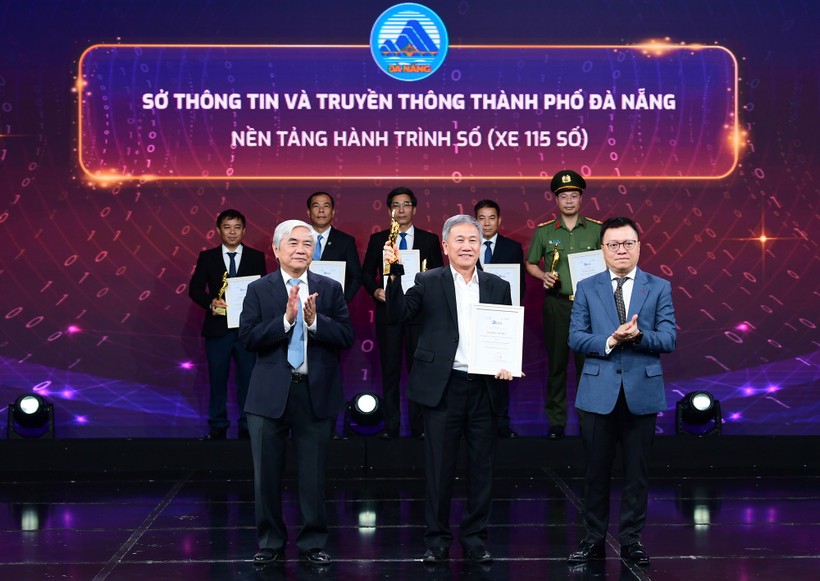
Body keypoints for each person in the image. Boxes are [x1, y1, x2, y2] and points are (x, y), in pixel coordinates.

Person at [384, 214, 513, 565]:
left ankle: (475, 539)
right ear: (445, 246)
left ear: (480, 244)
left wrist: (505, 361)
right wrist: (393, 274)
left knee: (481, 469)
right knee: (439, 470)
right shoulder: (427, 281)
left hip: (485, 387)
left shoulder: (498, 285)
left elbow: (505, 332)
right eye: (459, 240)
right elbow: (399, 314)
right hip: (443, 388)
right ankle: (437, 540)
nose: (467, 246)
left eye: (473, 239)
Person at [239, 219, 354, 566]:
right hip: (269, 395)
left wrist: (315, 322)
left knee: (313, 475)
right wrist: (286, 320)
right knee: (266, 475)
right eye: (293, 243)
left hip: (315, 394)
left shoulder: (329, 288)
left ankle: (313, 542)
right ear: (276, 250)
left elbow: (346, 336)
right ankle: (270, 542)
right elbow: (248, 338)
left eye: (307, 244)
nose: (301, 249)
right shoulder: (259, 289)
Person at [566, 217, 676, 567]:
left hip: (641, 392)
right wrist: (612, 340)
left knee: (636, 474)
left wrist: (639, 336)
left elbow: (669, 338)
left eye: (628, 243)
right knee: (595, 473)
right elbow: (576, 337)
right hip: (598, 392)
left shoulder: (658, 287)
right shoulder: (587, 287)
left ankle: (631, 541)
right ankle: (593, 540)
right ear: (602, 250)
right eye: (613, 245)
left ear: (639, 246)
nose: (621, 250)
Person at [361, 186, 444, 439]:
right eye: (396, 205)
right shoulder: (379, 240)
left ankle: (419, 428)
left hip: (419, 317)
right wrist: (376, 290)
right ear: (389, 210)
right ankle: (391, 427)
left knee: (419, 373)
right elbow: (366, 273)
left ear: (414, 209)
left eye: (406, 204)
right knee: (390, 372)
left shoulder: (429, 240)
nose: (401, 209)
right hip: (389, 315)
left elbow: (439, 275)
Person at [525, 170, 601, 438]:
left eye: (574, 196)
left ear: (581, 199)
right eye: (564, 196)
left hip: (589, 307)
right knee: (556, 365)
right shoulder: (545, 231)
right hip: (557, 305)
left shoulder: (597, 230)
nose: (569, 201)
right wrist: (543, 276)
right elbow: (530, 263)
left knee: (587, 366)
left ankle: (588, 420)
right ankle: (556, 422)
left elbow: (611, 263)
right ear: (556, 200)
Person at [188, 209, 267, 440]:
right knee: (217, 379)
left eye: (237, 227)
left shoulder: (256, 257)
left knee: (249, 380)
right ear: (218, 230)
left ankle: (247, 425)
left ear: (244, 230)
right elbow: (194, 289)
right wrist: (210, 302)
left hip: (247, 330)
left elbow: (262, 289)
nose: (232, 232)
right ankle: (218, 424)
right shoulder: (207, 257)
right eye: (227, 227)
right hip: (217, 329)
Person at [475, 199, 525, 439]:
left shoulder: (512, 248)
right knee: (474, 375)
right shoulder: (468, 246)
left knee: (501, 373)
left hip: (502, 320)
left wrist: (510, 316)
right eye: (481, 218)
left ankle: (502, 424)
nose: (486, 223)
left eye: (491, 218)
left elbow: (519, 286)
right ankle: (475, 424)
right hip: (474, 318)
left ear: (499, 220)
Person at [306, 191, 362, 303]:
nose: (321, 210)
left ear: (333, 212)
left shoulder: (345, 241)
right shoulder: (299, 239)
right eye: (316, 206)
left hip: (333, 305)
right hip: (301, 303)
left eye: (326, 206)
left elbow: (355, 277)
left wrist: (341, 301)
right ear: (308, 212)